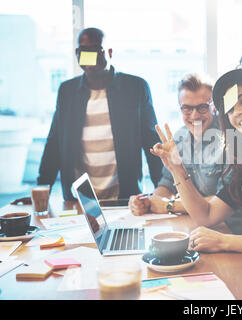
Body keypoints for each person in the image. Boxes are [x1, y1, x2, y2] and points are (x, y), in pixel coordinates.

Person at [150, 69, 242, 299]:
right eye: (230, 109)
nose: (237, 112)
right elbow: (206, 215)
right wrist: (176, 168)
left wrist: (223, 241)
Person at [37, 28, 163, 201]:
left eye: (96, 50)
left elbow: (152, 142)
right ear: (77, 54)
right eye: (84, 52)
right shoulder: (67, 91)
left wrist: (163, 190)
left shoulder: (135, 88)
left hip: (125, 198)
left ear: (109, 52)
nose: (90, 58)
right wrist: (42, 190)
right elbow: (55, 142)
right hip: (79, 201)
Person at [128, 73, 242, 235]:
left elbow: (221, 202)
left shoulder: (234, 139)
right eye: (187, 108)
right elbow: (167, 184)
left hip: (228, 230)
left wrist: (168, 205)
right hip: (195, 226)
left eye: (202, 107)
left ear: (214, 106)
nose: (194, 116)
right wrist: (149, 202)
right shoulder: (178, 138)